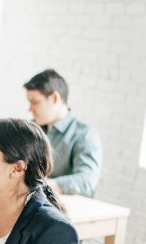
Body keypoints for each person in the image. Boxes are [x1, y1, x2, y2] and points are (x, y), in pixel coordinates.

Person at [24, 69, 102, 197]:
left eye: (35, 102)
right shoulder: (33, 128)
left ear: (55, 98)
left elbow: (86, 182)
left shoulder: (85, 135)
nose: (30, 109)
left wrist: (38, 186)